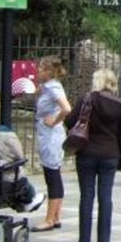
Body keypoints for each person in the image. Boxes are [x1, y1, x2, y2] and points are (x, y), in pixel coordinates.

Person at [66, 68, 121, 242]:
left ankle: (83, 241)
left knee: (86, 196)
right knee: (105, 197)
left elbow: (70, 122)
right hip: (110, 154)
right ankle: (104, 241)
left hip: (86, 153)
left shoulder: (86, 99)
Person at [33, 55, 71, 231]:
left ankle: (49, 218)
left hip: (51, 136)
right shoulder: (47, 87)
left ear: (49, 71)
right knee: (53, 175)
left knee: (52, 175)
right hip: (47, 135)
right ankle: (55, 216)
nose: (38, 71)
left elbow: (66, 108)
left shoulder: (54, 87)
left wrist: (54, 121)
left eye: (41, 68)